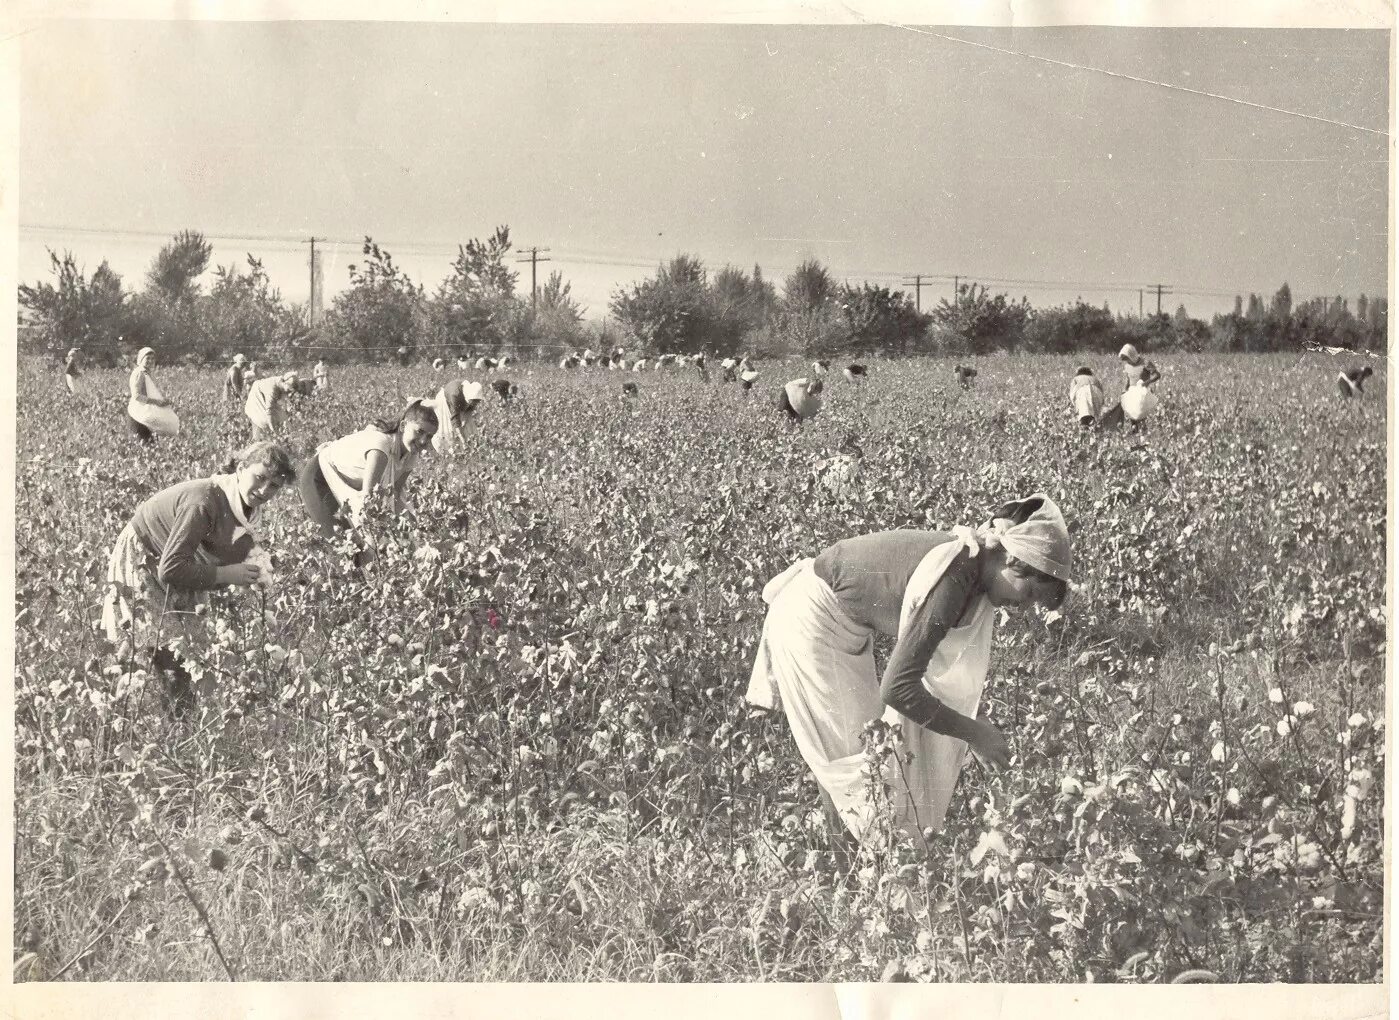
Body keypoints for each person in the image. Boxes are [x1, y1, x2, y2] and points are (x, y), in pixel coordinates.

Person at [747, 494, 1071, 851]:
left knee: (860, 755)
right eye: (1028, 593)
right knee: (855, 761)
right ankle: (853, 870)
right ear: (1010, 558)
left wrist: (970, 726)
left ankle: (850, 865)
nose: (1023, 607)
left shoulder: (972, 568)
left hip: (844, 628)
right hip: (811, 623)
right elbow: (898, 689)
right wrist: (974, 733)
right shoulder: (955, 576)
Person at [101, 440, 297, 714]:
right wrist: (228, 574)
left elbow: (225, 547)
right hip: (144, 558)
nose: (265, 490)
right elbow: (170, 570)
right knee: (167, 652)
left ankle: (155, 713)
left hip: (181, 560)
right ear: (240, 469)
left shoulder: (247, 508)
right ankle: (133, 715)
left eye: (274, 485)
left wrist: (252, 571)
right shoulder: (203, 501)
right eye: (260, 477)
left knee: (190, 652)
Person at [296, 400, 438, 561]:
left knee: (372, 549)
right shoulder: (381, 447)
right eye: (419, 431)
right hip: (320, 477)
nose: (423, 441)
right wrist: (379, 541)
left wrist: (409, 524)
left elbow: (395, 494)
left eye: (429, 436)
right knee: (347, 551)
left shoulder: (412, 455)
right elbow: (369, 501)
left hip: (349, 487)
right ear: (404, 426)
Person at [127, 347, 180, 443]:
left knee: (149, 443)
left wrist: (162, 401)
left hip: (147, 413)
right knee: (141, 443)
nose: (150, 361)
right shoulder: (139, 373)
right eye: (147, 358)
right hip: (138, 414)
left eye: (152, 358)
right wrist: (156, 402)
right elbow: (137, 396)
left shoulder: (147, 373)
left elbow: (151, 392)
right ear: (141, 359)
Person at [428, 378, 486, 455]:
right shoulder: (455, 395)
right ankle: (446, 450)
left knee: (467, 425)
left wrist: (465, 420)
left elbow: (470, 409)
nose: (476, 403)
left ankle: (469, 446)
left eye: (477, 401)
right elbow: (455, 419)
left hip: (459, 401)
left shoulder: (472, 392)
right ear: (469, 398)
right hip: (445, 402)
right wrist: (463, 440)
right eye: (474, 401)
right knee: (447, 427)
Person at [244, 371, 298, 440]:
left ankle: (285, 437)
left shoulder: (282, 384)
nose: (289, 392)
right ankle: (258, 441)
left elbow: (284, 405)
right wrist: (275, 432)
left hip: (263, 395)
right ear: (285, 383)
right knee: (262, 421)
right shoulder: (272, 390)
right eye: (289, 390)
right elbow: (269, 412)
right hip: (256, 397)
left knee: (282, 418)